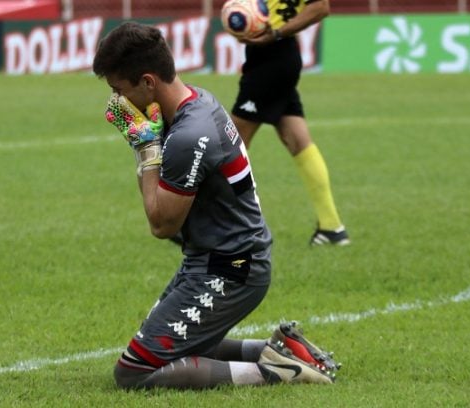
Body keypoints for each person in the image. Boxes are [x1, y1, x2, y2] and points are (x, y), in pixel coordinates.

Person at [92, 21, 340, 390]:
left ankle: (273, 371)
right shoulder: (198, 100)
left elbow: (162, 225)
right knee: (182, 348)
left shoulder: (189, 136)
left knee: (134, 371)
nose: (118, 102)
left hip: (230, 268)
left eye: (120, 91)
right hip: (223, 258)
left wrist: (143, 146)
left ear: (148, 82)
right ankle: (281, 349)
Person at [235, 0, 350, 246]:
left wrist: (276, 33)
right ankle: (332, 227)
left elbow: (321, 7)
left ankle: (211, 224)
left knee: (231, 144)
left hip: (274, 58)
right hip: (272, 57)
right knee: (298, 141)